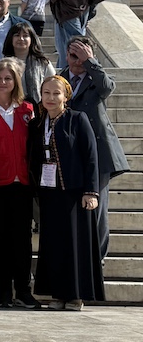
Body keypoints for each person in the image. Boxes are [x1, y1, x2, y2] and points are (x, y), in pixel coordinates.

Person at [29, 75, 105, 310]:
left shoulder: (77, 119)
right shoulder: (37, 124)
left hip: (74, 193)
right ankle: (57, 293)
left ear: (66, 96)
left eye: (56, 93)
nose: (51, 98)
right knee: (53, 244)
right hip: (49, 193)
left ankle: (75, 295)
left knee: (74, 244)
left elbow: (91, 157)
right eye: (46, 93)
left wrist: (90, 191)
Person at [61, 35, 128, 260]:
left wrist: (90, 62)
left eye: (82, 55)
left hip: (98, 154)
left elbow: (108, 86)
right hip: (68, 156)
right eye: (73, 54)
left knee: (97, 212)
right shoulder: (59, 81)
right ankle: (74, 261)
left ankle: (96, 261)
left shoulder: (96, 78)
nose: (77, 60)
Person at [0, 58, 38, 309]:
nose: (3, 82)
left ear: (16, 82)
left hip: (22, 184)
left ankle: (23, 291)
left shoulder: (27, 109)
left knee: (22, 241)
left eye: (8, 78)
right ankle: (4, 292)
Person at [2, 22, 54, 104]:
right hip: (10, 107)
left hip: (38, 108)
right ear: (11, 38)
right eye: (17, 35)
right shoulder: (4, 63)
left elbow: (53, 84)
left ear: (31, 39)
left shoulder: (42, 63)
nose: (21, 39)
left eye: (25, 36)